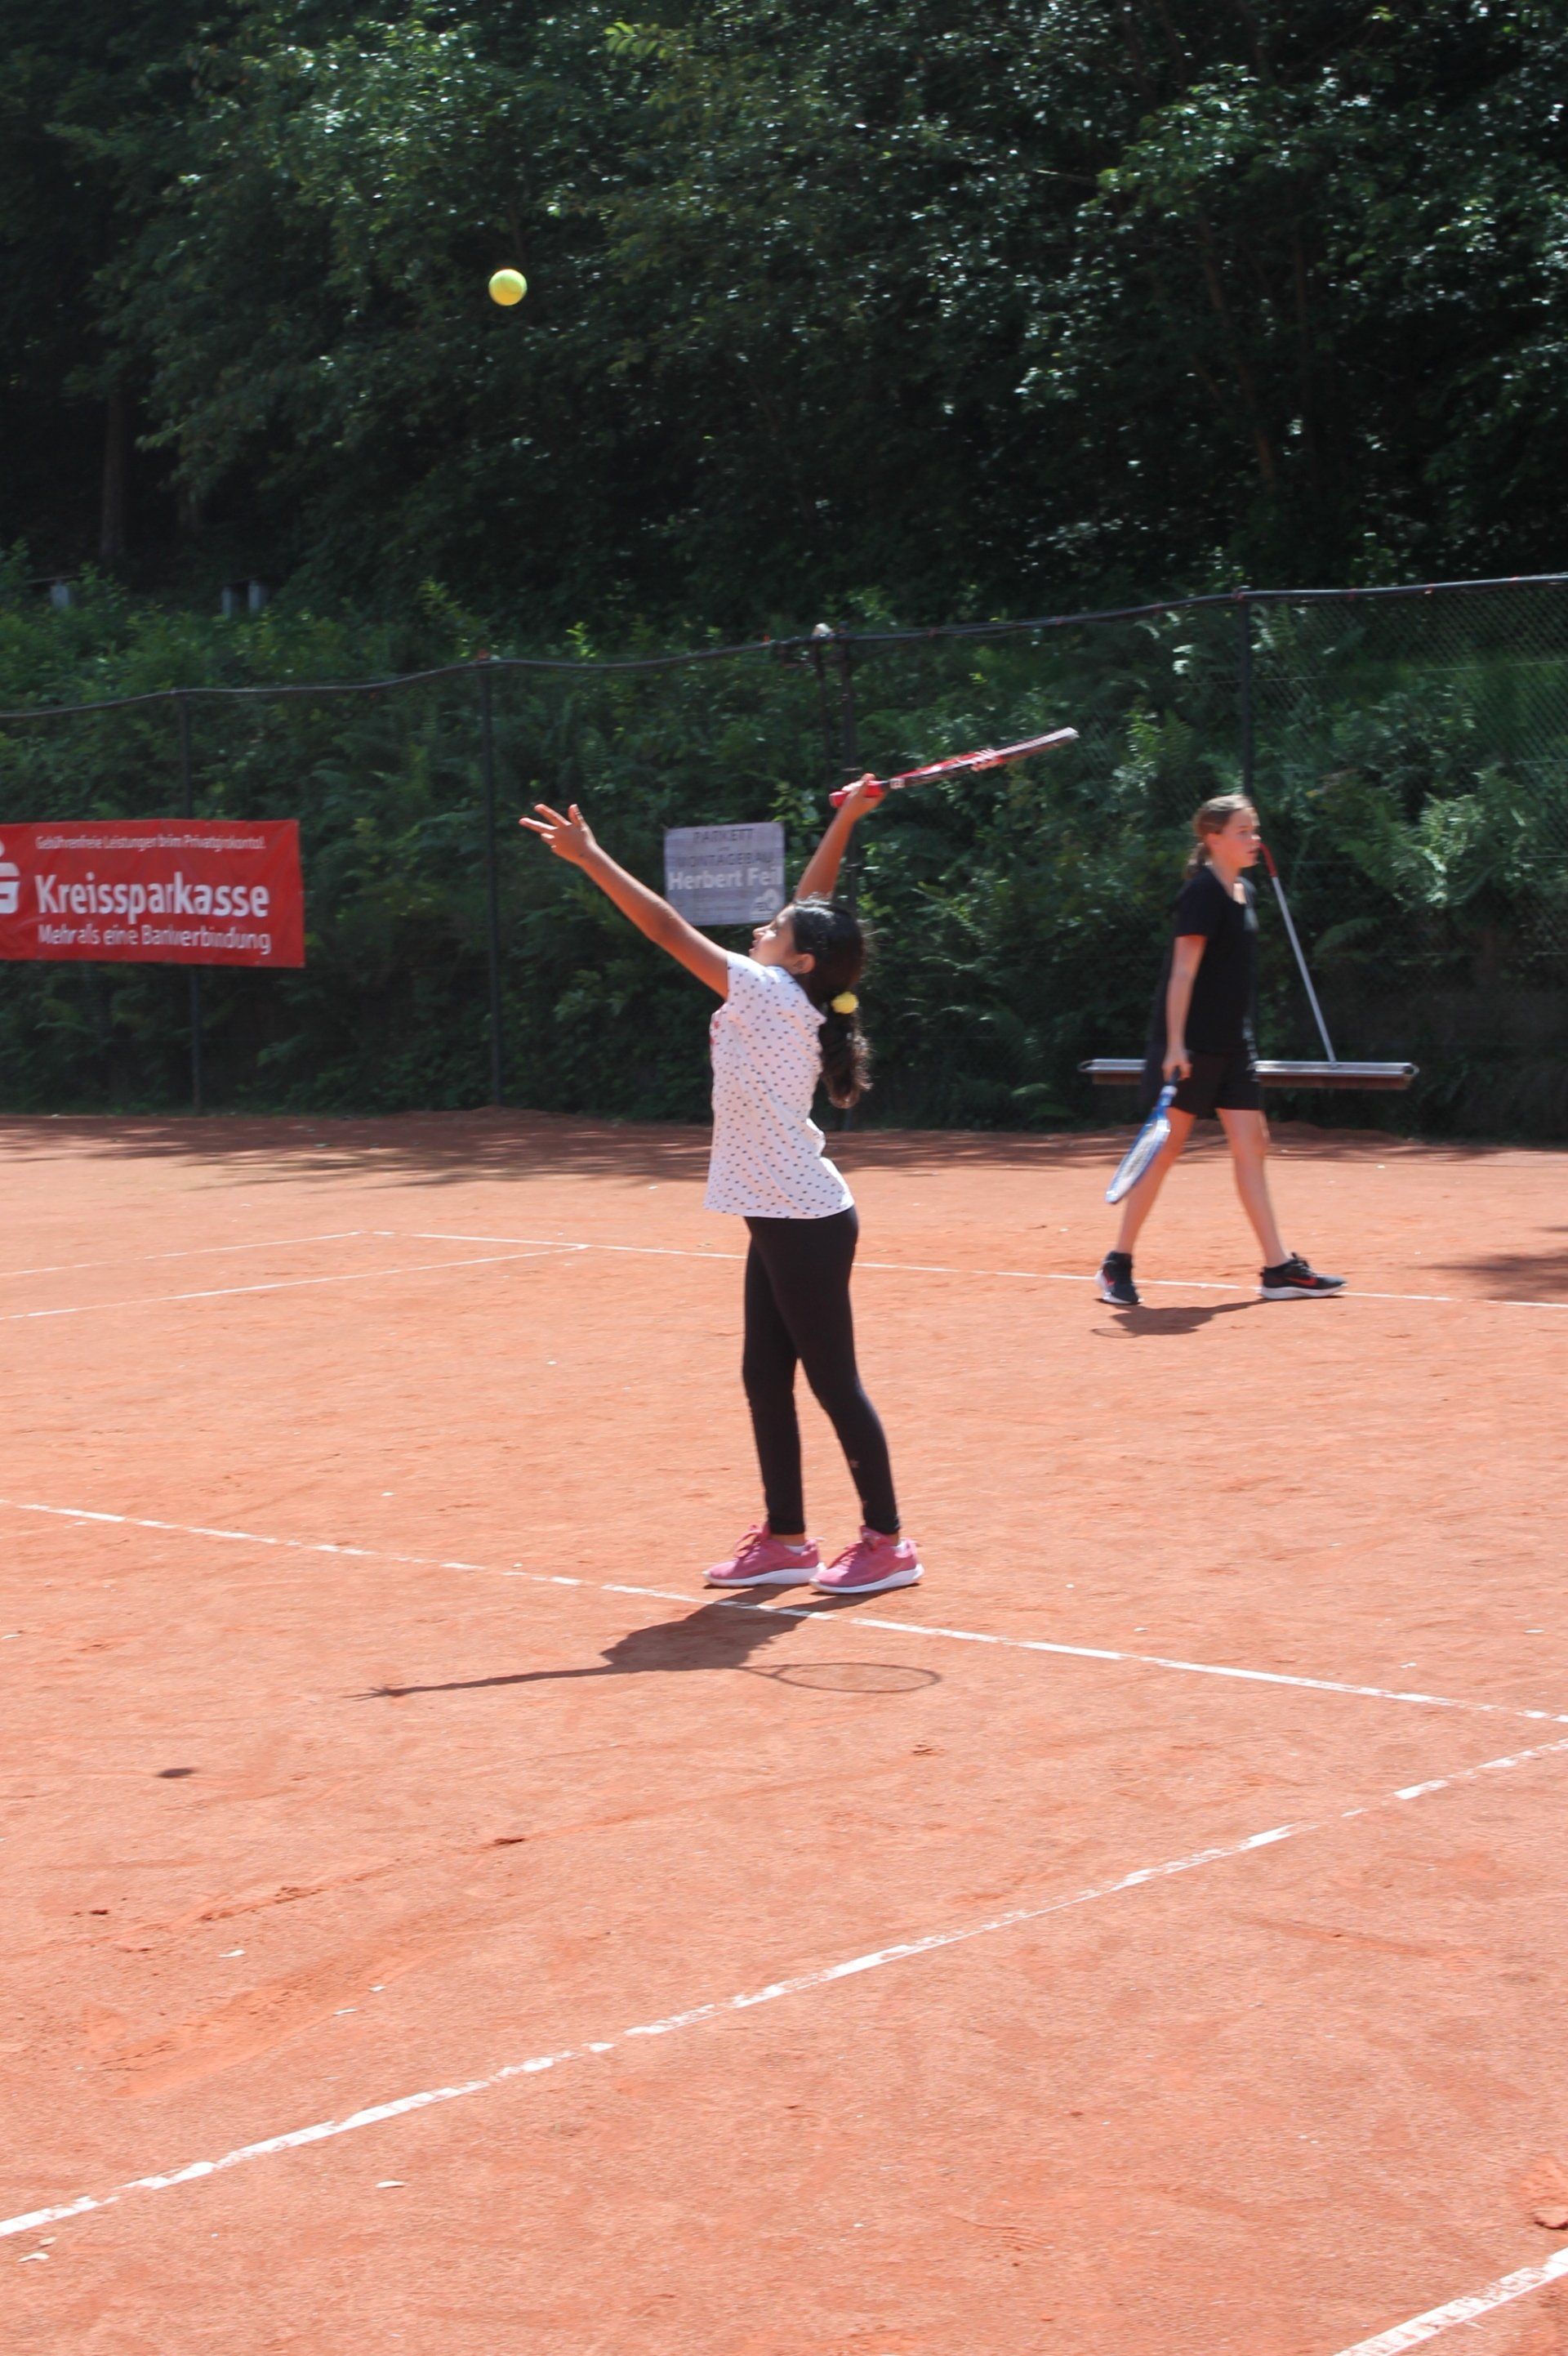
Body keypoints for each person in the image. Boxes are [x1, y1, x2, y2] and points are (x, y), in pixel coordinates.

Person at [521, 779, 921, 1596]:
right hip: (782, 1213)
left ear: (799, 960)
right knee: (764, 1376)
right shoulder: (799, 984)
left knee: (833, 1382)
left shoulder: (768, 990)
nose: (763, 926)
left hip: (803, 1220)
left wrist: (590, 857)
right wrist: (844, 819)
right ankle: (787, 1539)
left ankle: (888, 1543)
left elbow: (666, 928)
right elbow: (812, 907)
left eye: (776, 929)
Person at [1098, 793, 1345, 1306]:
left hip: (1235, 1044)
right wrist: (1175, 1044)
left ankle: (1277, 1269)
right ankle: (1116, 1264)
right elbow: (1182, 974)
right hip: (1192, 1045)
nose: (1254, 840)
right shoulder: (1201, 895)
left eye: (1255, 830)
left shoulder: (1244, 891)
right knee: (1166, 1152)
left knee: (1253, 1144)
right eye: (1243, 831)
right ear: (1213, 838)